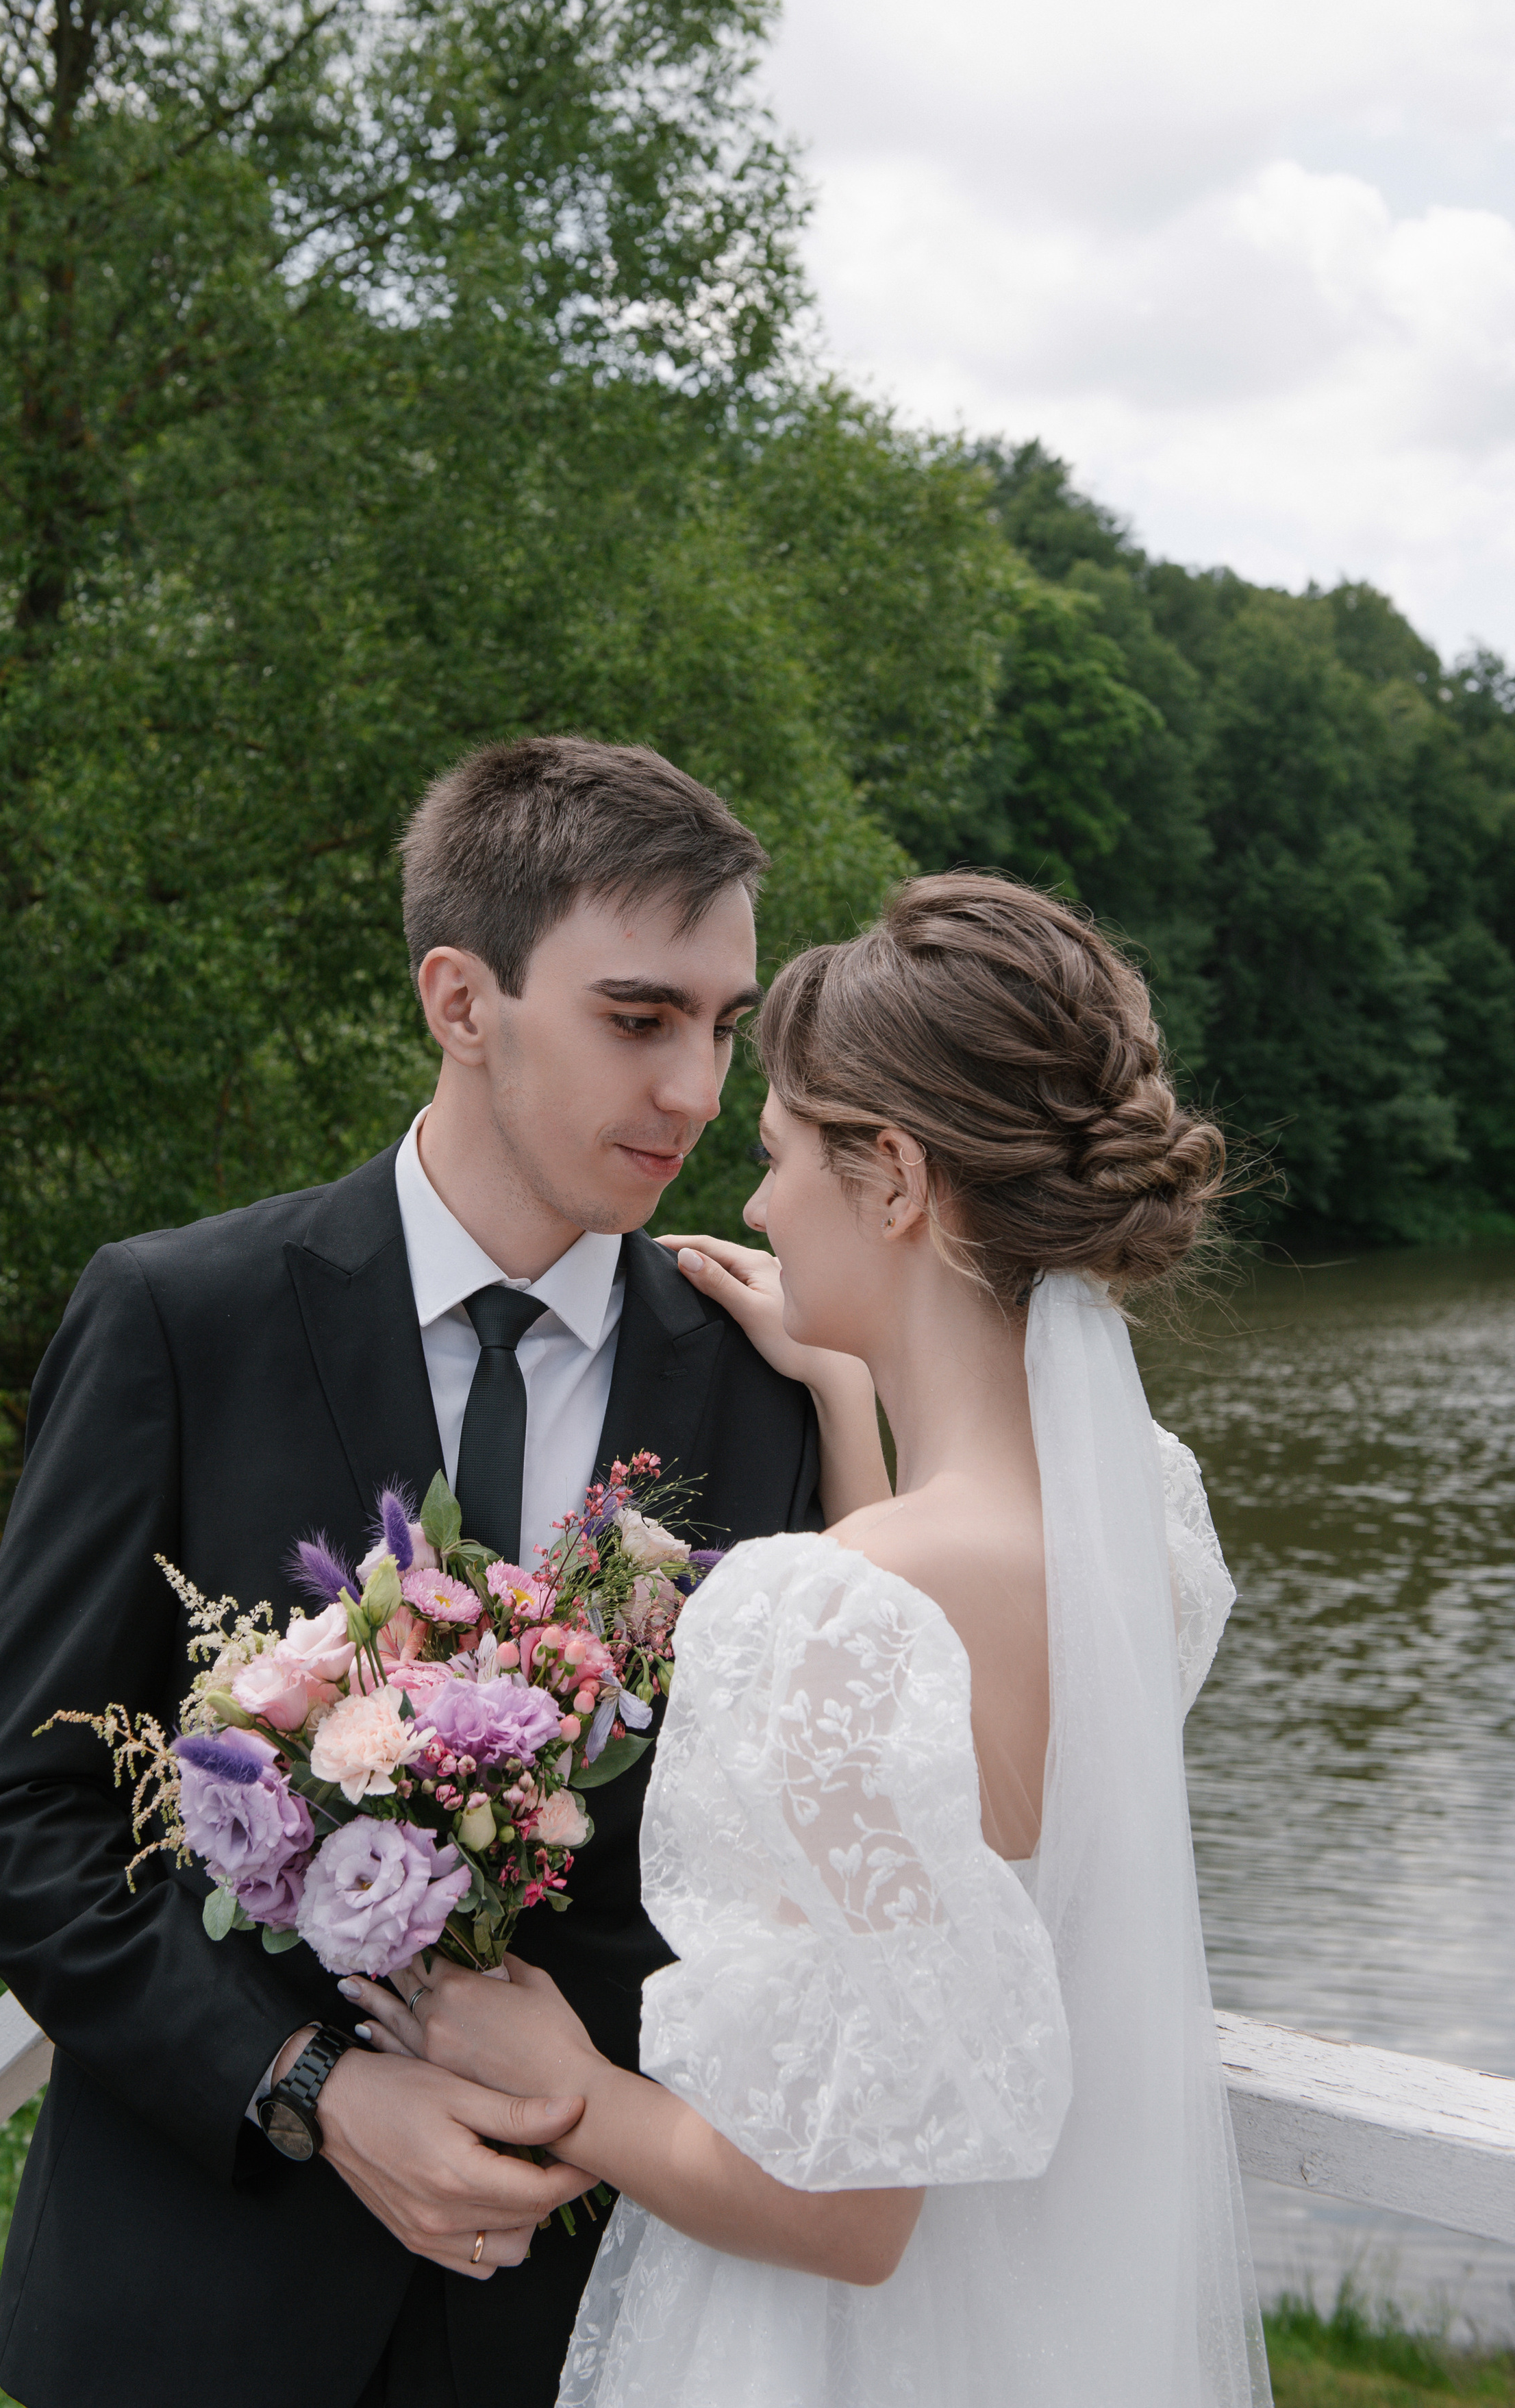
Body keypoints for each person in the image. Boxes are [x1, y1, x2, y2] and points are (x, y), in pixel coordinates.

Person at [0, 738, 885, 2408]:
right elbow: (9, 1822)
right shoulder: (176, 1317)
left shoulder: (767, 1382)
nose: (699, 1092)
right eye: (640, 1019)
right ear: (461, 999)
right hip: (194, 2318)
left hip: (583, 2326)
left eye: (726, 1029)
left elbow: (797, 1871)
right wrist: (306, 2086)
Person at [348, 871, 1275, 2408]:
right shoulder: (1141, 1532)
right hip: (1024, 2329)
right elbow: (935, 1773)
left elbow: (841, 2213)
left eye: (778, 1153)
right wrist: (852, 1392)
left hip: (819, 2346)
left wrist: (573, 2091)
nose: (758, 1203)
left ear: (894, 1176)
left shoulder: (825, 1607)